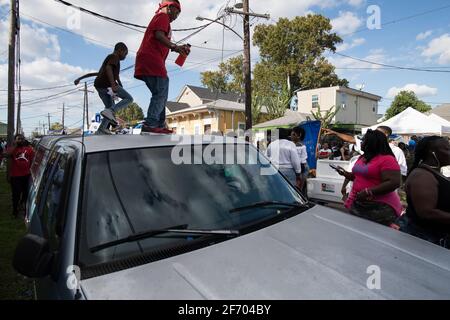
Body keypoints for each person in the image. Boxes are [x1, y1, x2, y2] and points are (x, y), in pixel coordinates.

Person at [135, 0, 190, 134]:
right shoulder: (162, 16)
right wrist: (175, 46)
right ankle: (152, 123)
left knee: (161, 92)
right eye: (176, 13)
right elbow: (159, 35)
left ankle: (158, 125)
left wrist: (177, 48)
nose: (176, 17)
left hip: (148, 59)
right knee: (161, 90)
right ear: (170, 7)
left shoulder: (161, 18)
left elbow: (160, 39)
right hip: (151, 59)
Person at [337, 130, 402, 227]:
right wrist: (345, 174)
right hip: (359, 202)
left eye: (364, 140)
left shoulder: (387, 159)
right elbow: (358, 176)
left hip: (379, 207)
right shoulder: (363, 157)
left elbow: (394, 182)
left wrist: (368, 192)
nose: (361, 143)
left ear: (371, 142)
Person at [399, 136, 450, 249]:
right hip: (425, 240)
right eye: (447, 149)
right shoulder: (422, 176)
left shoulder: (433, 173)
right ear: (433, 152)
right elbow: (427, 212)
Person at [74, 42, 133, 135]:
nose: (125, 57)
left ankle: (101, 130)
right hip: (107, 85)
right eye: (125, 54)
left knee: (108, 108)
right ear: (120, 50)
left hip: (99, 86)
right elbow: (109, 68)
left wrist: (79, 78)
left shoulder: (108, 62)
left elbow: (95, 74)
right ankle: (111, 111)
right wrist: (113, 84)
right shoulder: (114, 57)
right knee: (129, 99)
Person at [323, 126, 408, 177]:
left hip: (381, 199)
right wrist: (335, 133)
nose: (374, 133)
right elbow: (352, 139)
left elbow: (401, 175)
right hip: (362, 197)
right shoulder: (369, 148)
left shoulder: (396, 151)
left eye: (377, 132)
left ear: (385, 135)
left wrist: (371, 190)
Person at [4, 134, 35, 217]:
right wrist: (15, 145)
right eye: (18, 139)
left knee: (26, 193)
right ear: (15, 140)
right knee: (16, 194)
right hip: (15, 176)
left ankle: (22, 205)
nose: (20, 140)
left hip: (26, 175)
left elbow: (32, 161)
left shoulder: (29, 149)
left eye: (22, 139)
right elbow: (6, 154)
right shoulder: (12, 149)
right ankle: (15, 210)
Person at [291, 126, 308, 192]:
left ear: (299, 135)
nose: (291, 136)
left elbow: (299, 160)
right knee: (300, 188)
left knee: (299, 189)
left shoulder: (298, 145)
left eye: (293, 134)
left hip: (301, 167)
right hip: (302, 166)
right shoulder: (298, 144)